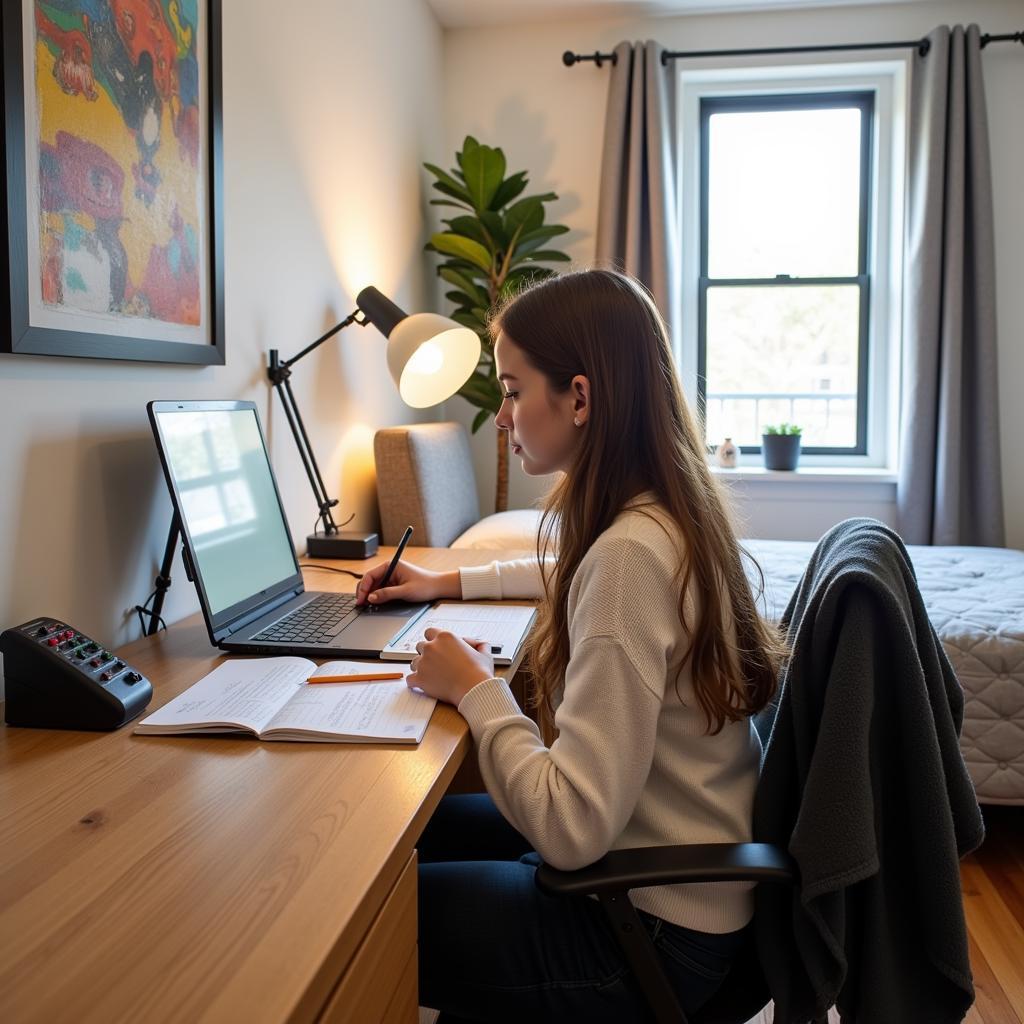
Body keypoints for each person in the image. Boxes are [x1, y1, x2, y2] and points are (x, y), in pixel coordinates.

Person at [355, 268, 785, 1023]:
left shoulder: (629, 560)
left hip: (645, 930)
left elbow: (570, 827)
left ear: (580, 398)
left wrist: (476, 691)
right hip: (662, 872)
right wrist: (449, 584)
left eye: (515, 390)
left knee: (357, 909)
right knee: (393, 839)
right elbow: (570, 572)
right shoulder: (660, 518)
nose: (504, 414)